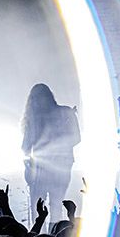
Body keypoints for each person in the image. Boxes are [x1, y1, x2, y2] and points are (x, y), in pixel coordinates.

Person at [21, 84, 79, 215]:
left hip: (45, 168)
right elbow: (76, 137)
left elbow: (25, 147)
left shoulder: (35, 119)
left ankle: (42, 227)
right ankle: (53, 227)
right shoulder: (65, 113)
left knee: (41, 207)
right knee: (54, 205)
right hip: (56, 167)